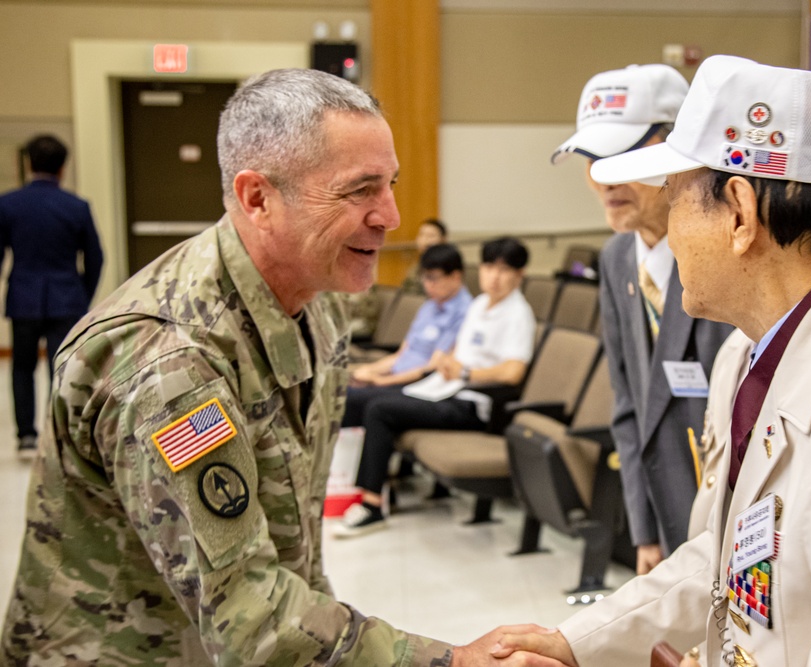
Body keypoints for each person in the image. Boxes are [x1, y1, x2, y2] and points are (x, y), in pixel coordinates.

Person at [0, 68, 545, 667]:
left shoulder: (318, 309)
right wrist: (453, 662)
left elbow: (294, 560)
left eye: (390, 184)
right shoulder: (170, 362)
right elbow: (250, 615)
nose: (390, 215)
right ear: (259, 198)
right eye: (360, 190)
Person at [491, 55, 811, 667]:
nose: (666, 232)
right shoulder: (750, 347)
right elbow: (722, 553)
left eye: (675, 200)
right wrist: (576, 643)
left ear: (739, 213)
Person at [551, 63, 733, 574]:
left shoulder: (729, 251)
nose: (604, 178)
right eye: (590, 159)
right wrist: (643, 527)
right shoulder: (615, 259)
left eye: (623, 155)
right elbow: (629, 406)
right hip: (667, 504)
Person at [333, 237, 535, 538]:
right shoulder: (480, 304)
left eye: (505, 270)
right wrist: (447, 361)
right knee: (356, 400)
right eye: (489, 267)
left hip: (472, 403)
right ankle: (331, 485)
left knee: (381, 408)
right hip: (442, 388)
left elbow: (512, 372)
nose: (494, 276)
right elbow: (461, 352)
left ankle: (372, 506)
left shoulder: (519, 314)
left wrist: (465, 372)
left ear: (519, 275)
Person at [0, 134, 103, 458]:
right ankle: (57, 433)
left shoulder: (8, 204)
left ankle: (26, 435)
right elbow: (96, 257)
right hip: (65, 298)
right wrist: (81, 295)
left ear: (28, 164)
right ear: (63, 167)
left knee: (22, 367)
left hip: (24, 297)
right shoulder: (76, 206)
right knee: (62, 369)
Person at [345, 242, 472, 420]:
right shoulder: (429, 306)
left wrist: (381, 381)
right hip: (396, 376)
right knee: (343, 386)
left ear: (456, 276)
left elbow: (432, 367)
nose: (428, 285)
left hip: (417, 384)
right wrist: (368, 371)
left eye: (433, 278)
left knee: (347, 399)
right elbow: (401, 354)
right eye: (425, 278)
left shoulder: (464, 312)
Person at [399, 218, 449, 294]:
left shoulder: (448, 267)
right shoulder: (414, 268)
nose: (424, 240)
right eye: (421, 235)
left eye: (430, 236)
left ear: (443, 240)